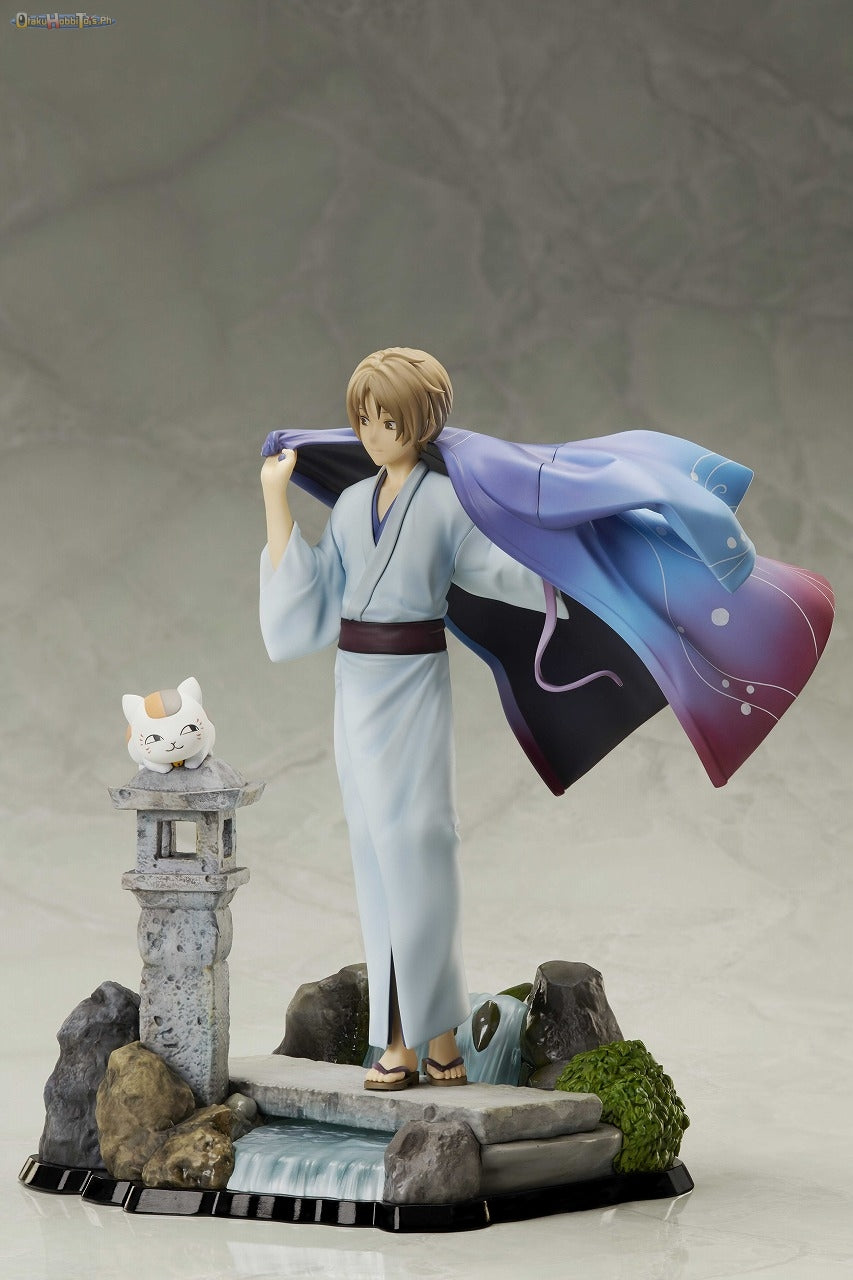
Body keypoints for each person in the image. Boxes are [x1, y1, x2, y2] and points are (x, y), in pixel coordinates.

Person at [259, 348, 560, 1089]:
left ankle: (429, 1038)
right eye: (363, 419)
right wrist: (276, 499)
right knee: (373, 855)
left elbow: (500, 568)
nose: (372, 434)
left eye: (388, 421)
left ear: (421, 423)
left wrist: (577, 569)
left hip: (414, 684)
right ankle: (415, 1039)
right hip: (355, 690)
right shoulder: (352, 505)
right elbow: (310, 598)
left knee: (420, 849)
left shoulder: (448, 501)